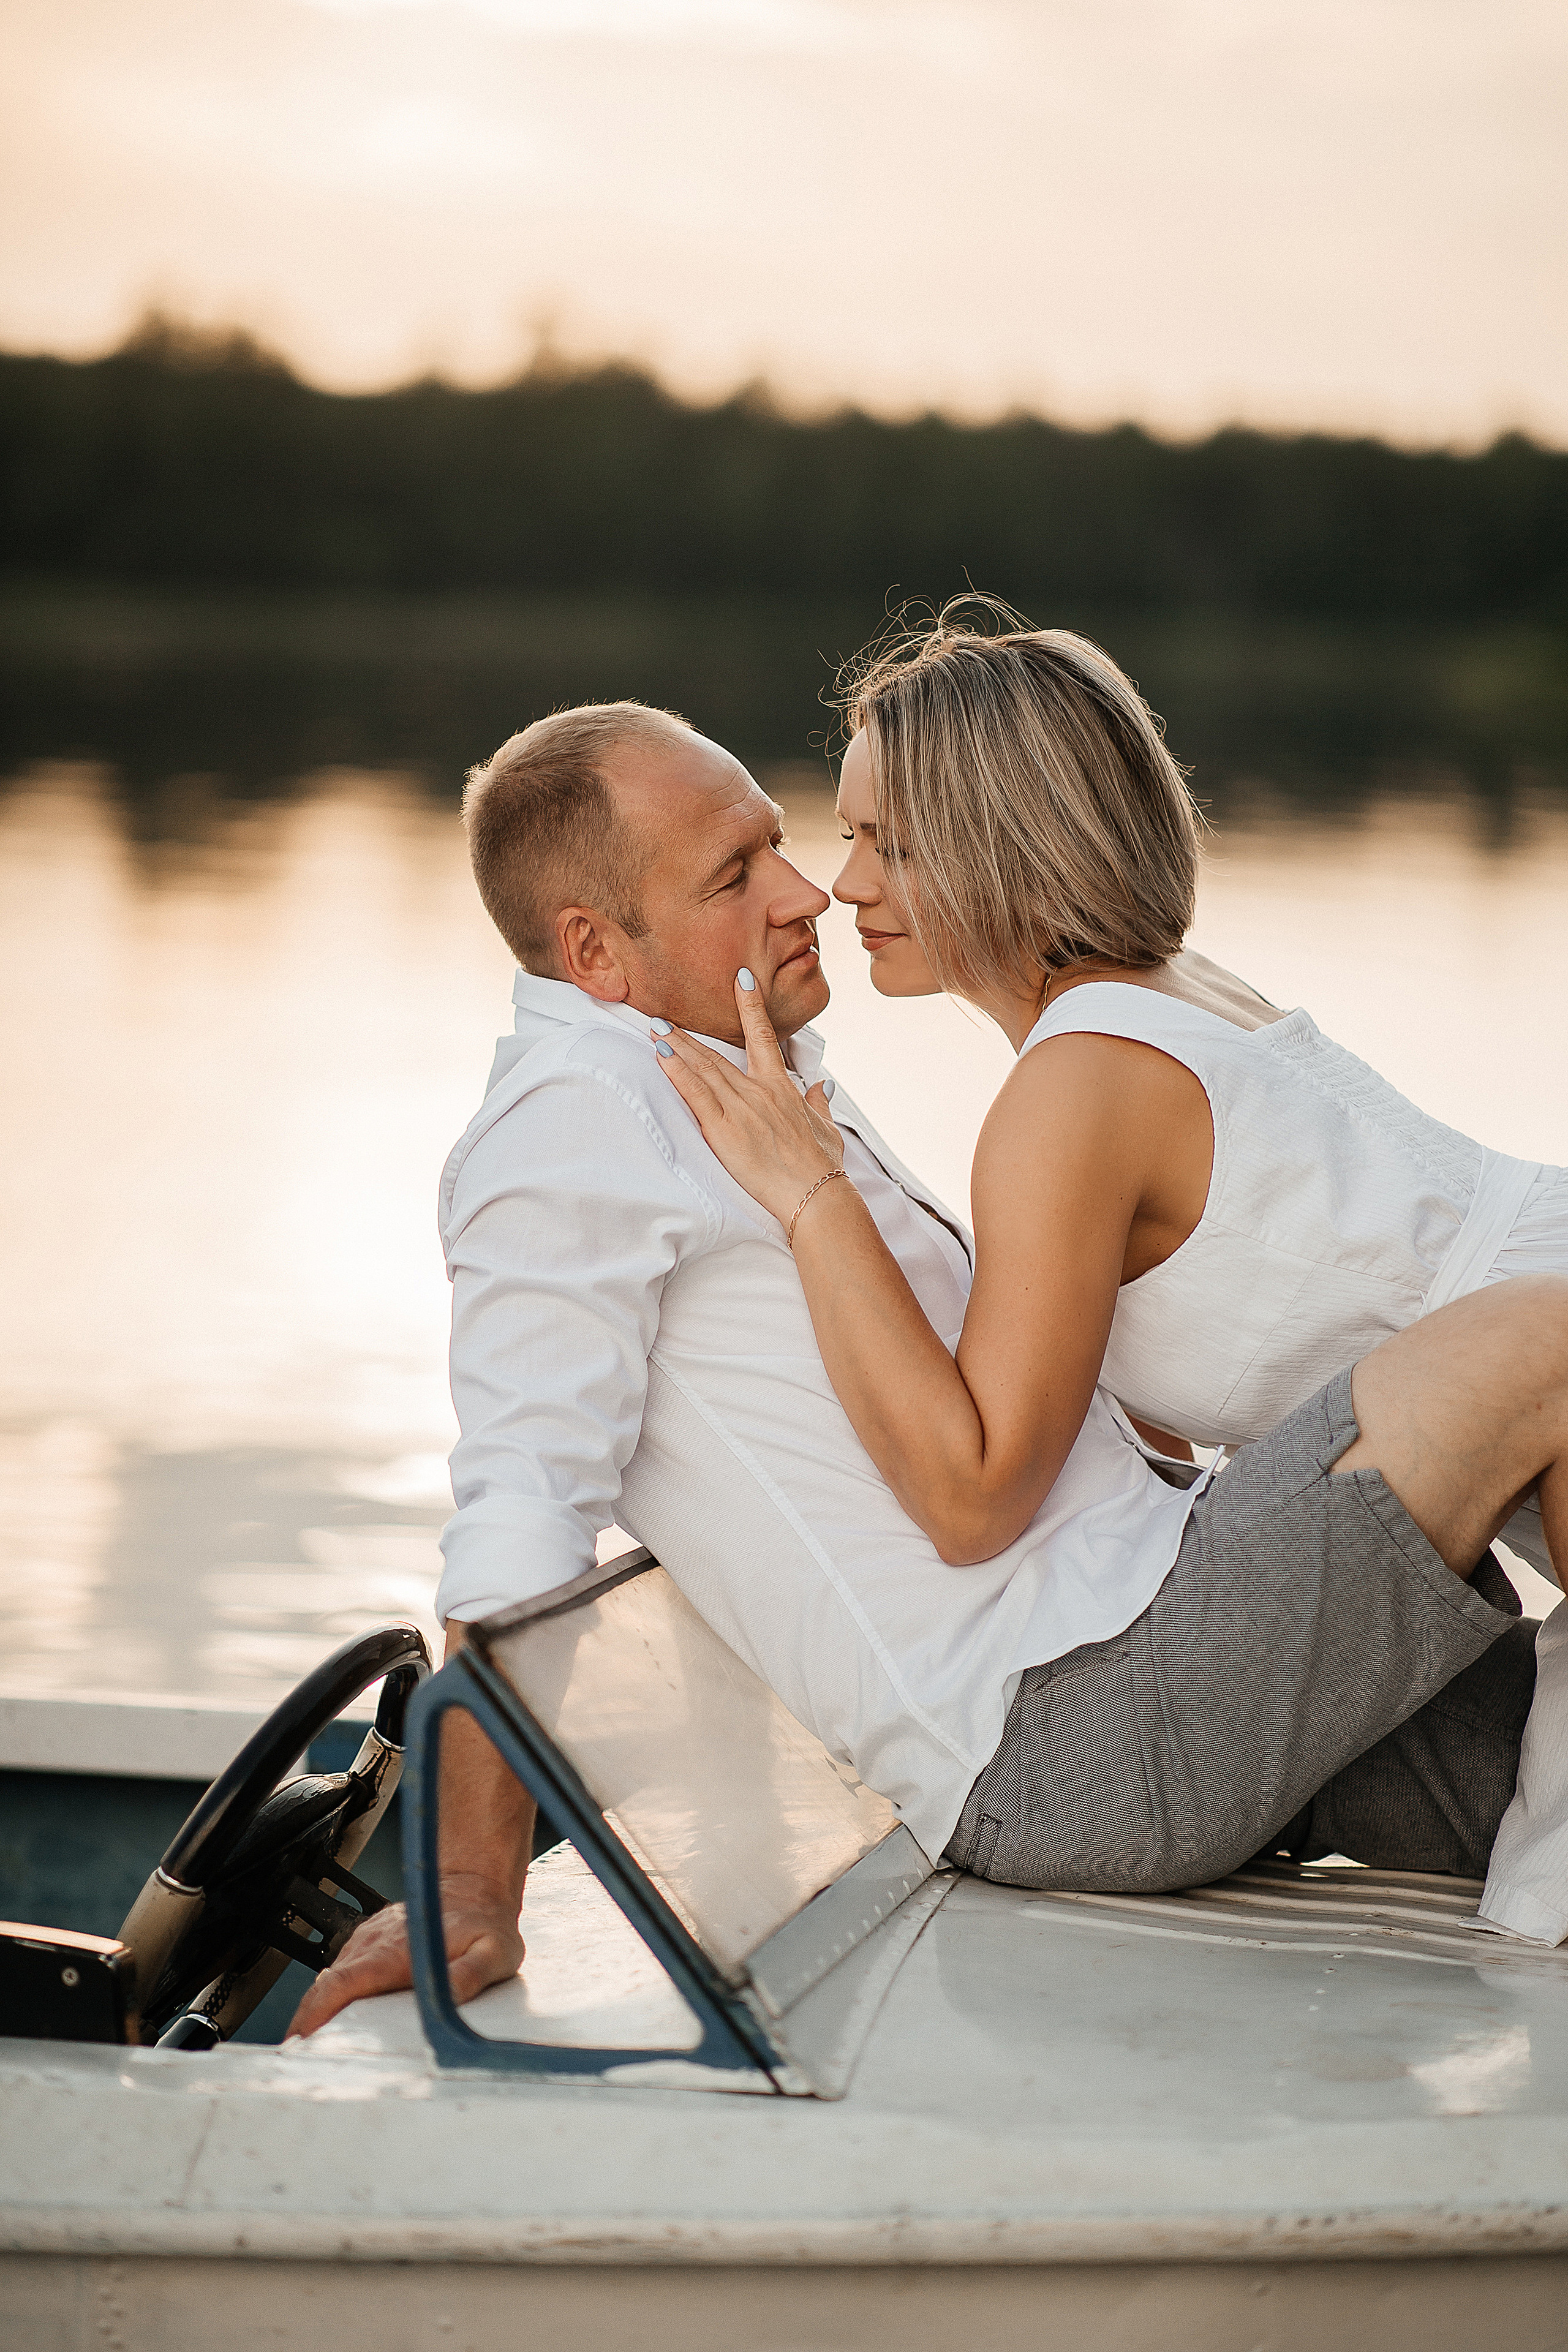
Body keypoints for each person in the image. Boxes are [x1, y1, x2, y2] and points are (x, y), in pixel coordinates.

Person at [291, 700, 1564, 2038]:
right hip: (1073, 1729)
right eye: (734, 876)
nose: (805, 895)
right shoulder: (572, 1126)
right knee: (1535, 1340)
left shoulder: (735, 1074)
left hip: (1174, 1626)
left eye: (780, 844)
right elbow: (520, 1505)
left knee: (1541, 1760)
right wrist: (465, 1888)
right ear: (594, 950)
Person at [653, 609, 1568, 1941]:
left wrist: (811, 1195)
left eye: (889, 844)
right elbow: (1147, 1427)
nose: (844, 886)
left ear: (1005, 843)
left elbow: (975, 1495)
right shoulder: (1166, 999)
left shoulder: (1074, 1086)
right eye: (849, 837)